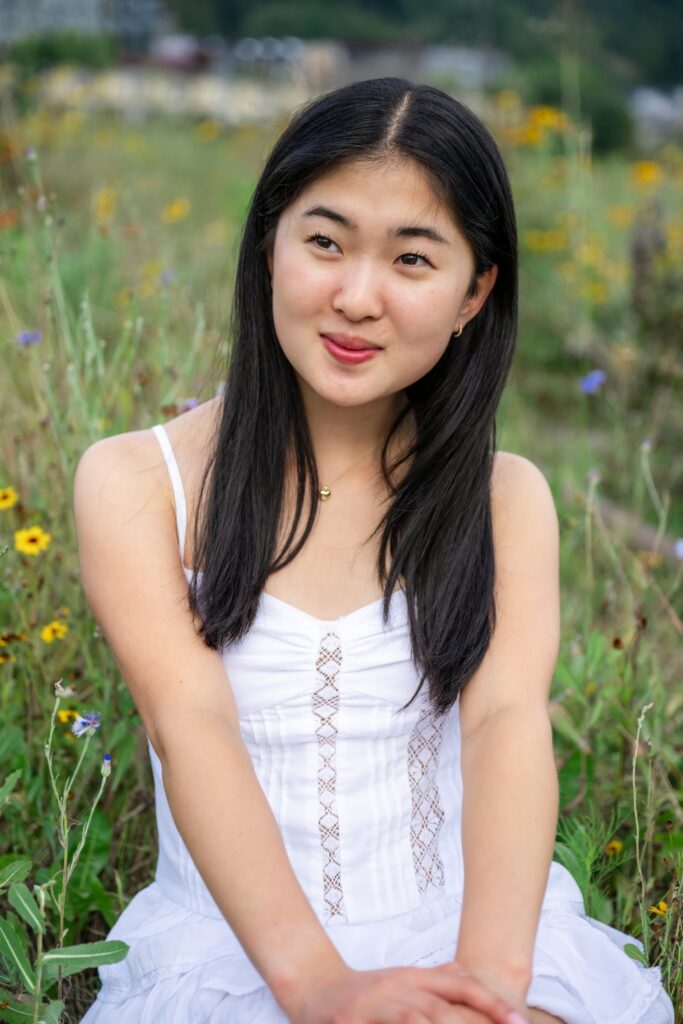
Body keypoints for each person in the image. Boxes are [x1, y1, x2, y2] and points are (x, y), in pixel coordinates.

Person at [73, 77, 675, 1024]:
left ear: (475, 292)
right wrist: (319, 988)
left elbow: (504, 725)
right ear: (267, 246)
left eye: (412, 259)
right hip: (236, 952)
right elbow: (190, 725)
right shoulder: (138, 483)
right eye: (324, 242)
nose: (356, 298)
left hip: (472, 926)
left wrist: (487, 990)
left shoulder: (505, 498)